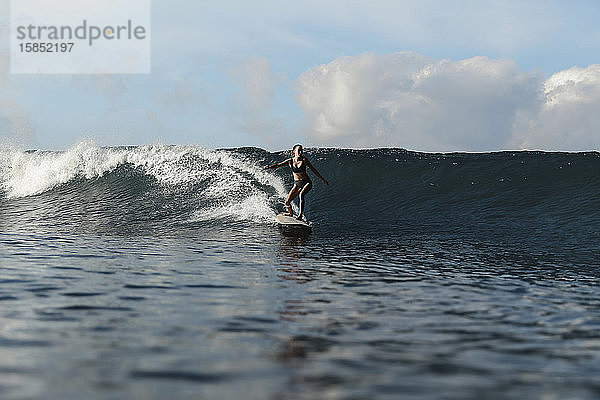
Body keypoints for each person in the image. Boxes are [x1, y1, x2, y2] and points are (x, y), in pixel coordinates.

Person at [265, 144, 328, 221]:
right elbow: (278, 165)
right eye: (299, 150)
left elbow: (313, 169)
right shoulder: (290, 161)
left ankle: (300, 215)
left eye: (301, 150)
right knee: (287, 202)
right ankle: (290, 213)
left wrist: (322, 179)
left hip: (306, 182)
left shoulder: (304, 160)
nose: (300, 152)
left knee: (301, 194)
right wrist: (269, 167)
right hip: (297, 184)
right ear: (293, 152)